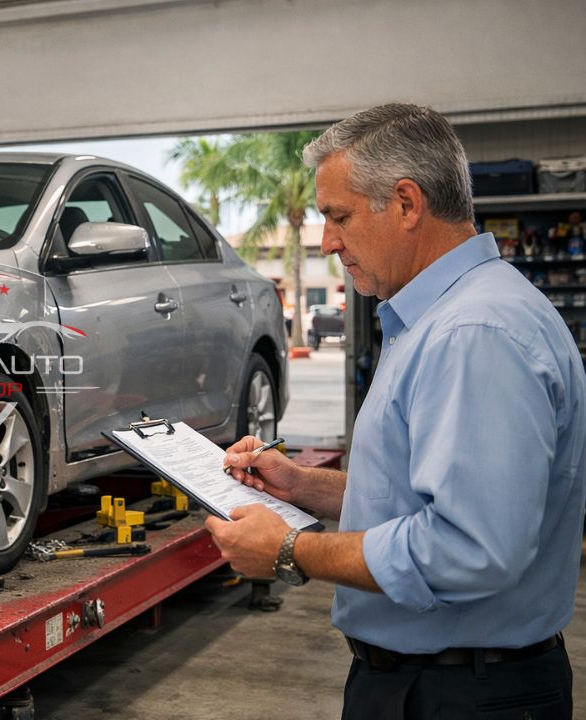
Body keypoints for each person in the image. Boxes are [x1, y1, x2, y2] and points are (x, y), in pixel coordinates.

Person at [204, 104, 586, 719]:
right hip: (438, 684)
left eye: (339, 216)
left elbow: (469, 548)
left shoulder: (474, 333)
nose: (327, 241)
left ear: (407, 204)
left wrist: (288, 550)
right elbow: (434, 494)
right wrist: (304, 486)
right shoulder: (439, 318)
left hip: (461, 696)